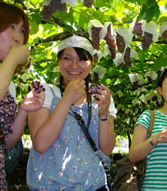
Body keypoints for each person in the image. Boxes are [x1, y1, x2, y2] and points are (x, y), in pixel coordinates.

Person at [26, 35, 117, 190]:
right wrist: (67, 100)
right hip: (51, 186)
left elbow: (107, 149)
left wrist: (104, 113)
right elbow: (40, 144)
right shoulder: (44, 92)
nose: (75, 65)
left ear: (91, 63)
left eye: (82, 59)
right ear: (58, 61)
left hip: (94, 185)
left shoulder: (100, 97)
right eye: (67, 58)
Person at [0, 2, 45, 189]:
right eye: (11, 27)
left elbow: (7, 141)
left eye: (22, 31)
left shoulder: (7, 84)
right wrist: (13, 58)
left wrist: (23, 110)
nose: (18, 37)